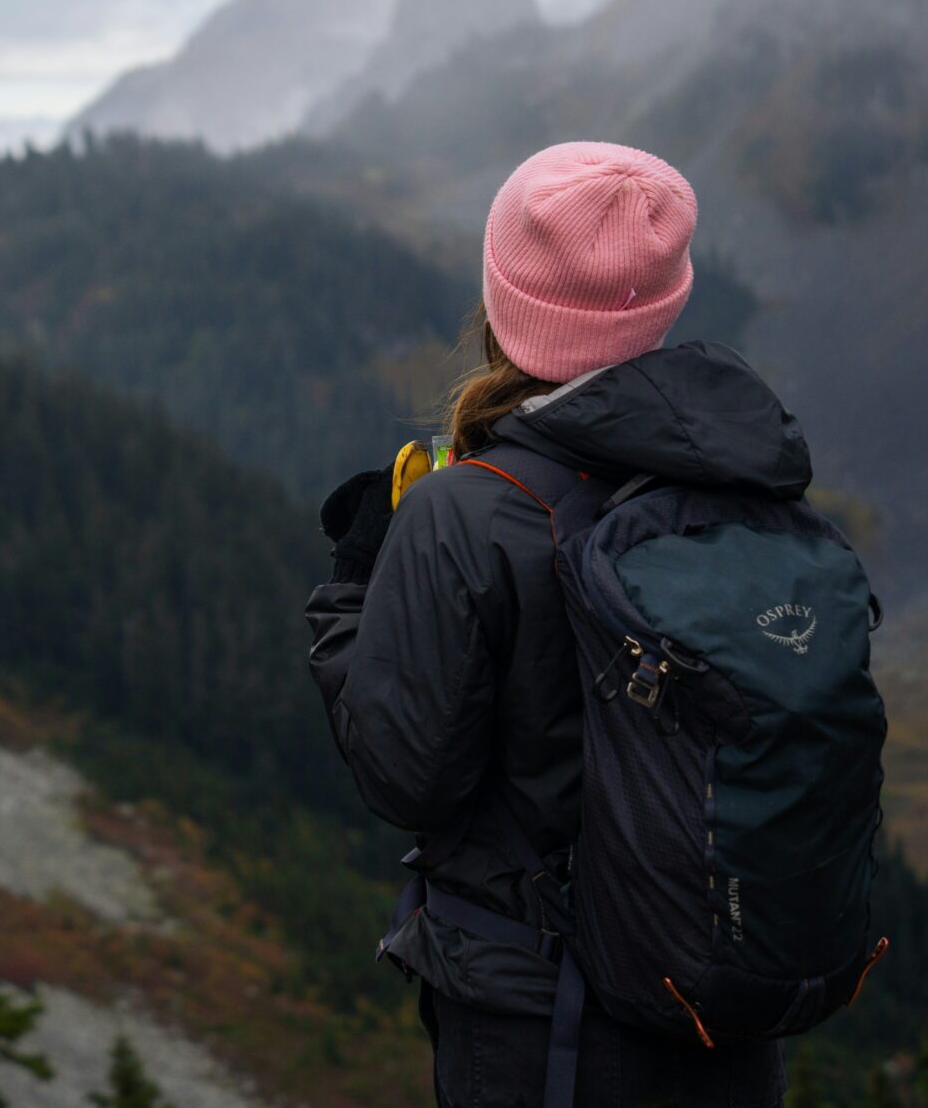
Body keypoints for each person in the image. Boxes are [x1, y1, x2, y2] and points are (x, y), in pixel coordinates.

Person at [308, 142, 804, 1107]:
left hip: (541, 1027)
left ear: (505, 301)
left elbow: (404, 774)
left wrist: (353, 589)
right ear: (665, 299)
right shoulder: (747, 473)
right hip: (723, 1004)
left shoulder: (466, 510)